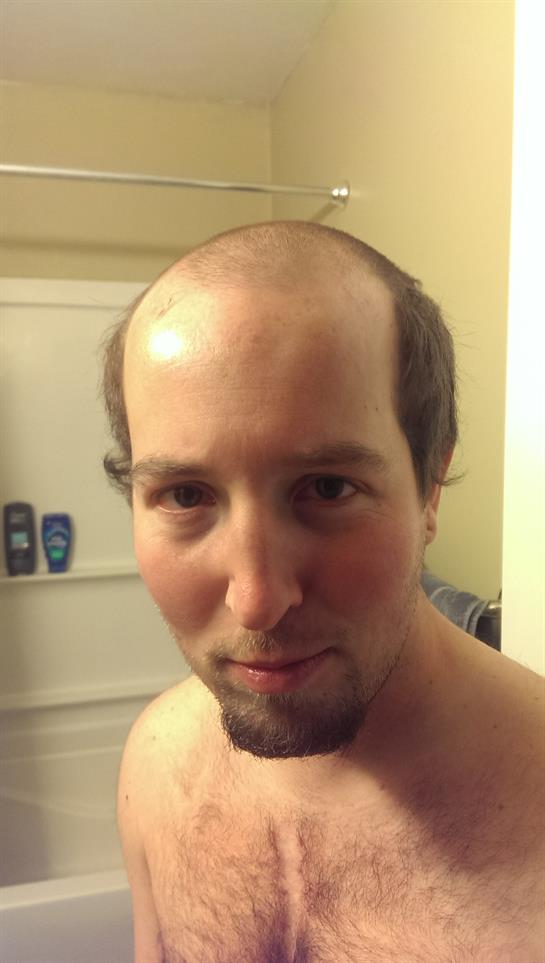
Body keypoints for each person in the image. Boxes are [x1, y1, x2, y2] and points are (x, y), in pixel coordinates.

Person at [102, 221, 544, 963]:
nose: (256, 600)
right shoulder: (155, 760)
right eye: (184, 494)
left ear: (429, 486)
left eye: (328, 487)